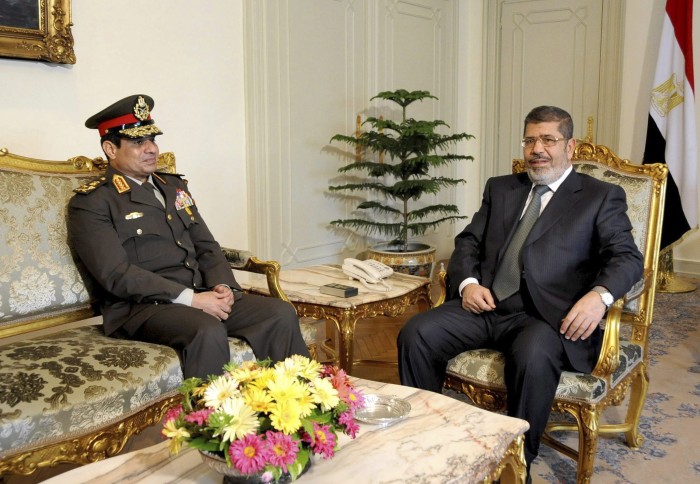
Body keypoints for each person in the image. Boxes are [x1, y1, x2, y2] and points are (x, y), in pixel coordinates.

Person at [397, 105, 643, 477]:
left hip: (547, 317)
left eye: (549, 139)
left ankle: (517, 461)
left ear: (570, 146)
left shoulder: (600, 196)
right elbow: (468, 243)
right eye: (530, 140)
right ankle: (429, 438)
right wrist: (468, 283)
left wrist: (599, 297)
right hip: (487, 305)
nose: (537, 149)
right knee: (416, 334)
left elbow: (626, 257)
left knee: (532, 355)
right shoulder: (502, 188)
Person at [68, 94, 309, 379]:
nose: (151, 149)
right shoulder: (93, 201)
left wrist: (222, 287)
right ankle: (212, 421)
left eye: (153, 140)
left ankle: (295, 407)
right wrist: (192, 300)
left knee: (278, 313)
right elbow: (116, 274)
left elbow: (206, 245)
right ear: (110, 148)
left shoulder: (173, 187)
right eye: (137, 142)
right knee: (206, 329)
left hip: (198, 293)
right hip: (141, 308)